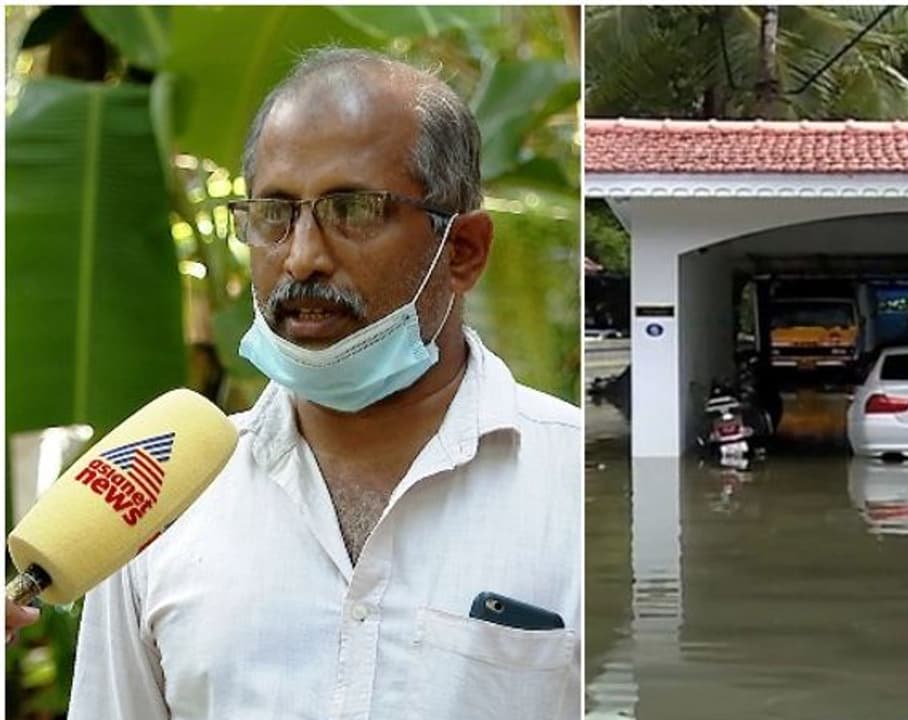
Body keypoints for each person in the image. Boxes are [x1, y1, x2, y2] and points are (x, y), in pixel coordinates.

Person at [67, 48, 581, 719]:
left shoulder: (574, 485)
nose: (303, 254)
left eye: (355, 210)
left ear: (461, 252)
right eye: (274, 214)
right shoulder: (161, 500)